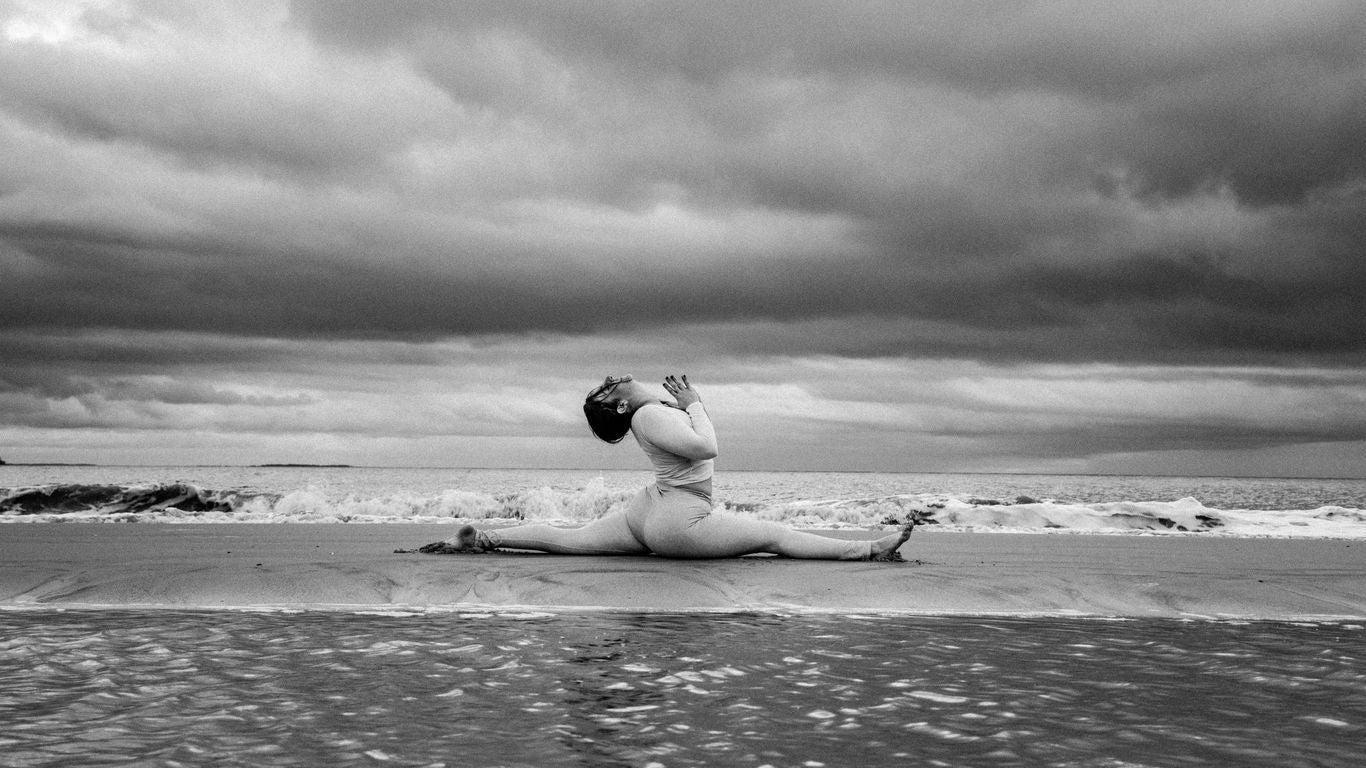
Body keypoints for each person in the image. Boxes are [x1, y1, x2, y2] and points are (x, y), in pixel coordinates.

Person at [415, 374, 919, 560]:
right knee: (774, 536)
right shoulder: (650, 414)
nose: (610, 381)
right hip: (678, 519)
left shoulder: (649, 413)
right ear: (619, 406)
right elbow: (707, 448)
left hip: (650, 509)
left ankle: (483, 539)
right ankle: (868, 549)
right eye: (605, 390)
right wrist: (695, 403)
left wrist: (687, 405)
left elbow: (692, 445)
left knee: (572, 540)